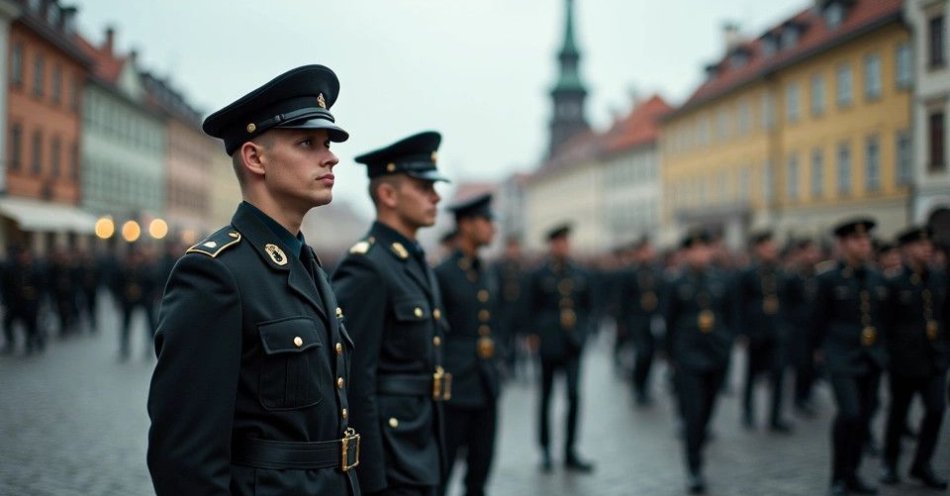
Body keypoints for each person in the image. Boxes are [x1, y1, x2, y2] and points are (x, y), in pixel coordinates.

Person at [146, 65, 359, 496]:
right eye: (307, 143)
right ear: (255, 158)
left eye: (328, 144)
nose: (331, 156)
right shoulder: (216, 273)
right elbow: (185, 459)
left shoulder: (306, 262)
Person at [332, 131, 450, 496]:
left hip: (421, 435)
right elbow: (354, 381)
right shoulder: (368, 266)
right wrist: (372, 479)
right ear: (388, 194)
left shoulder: (412, 259)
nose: (436, 197)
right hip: (392, 451)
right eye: (424, 187)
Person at [813, 218, 887, 496]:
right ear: (843, 245)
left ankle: (853, 473)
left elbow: (884, 320)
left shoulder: (876, 277)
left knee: (864, 417)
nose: (864, 244)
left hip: (870, 356)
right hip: (841, 356)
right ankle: (837, 476)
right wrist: (818, 356)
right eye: (857, 240)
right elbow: (817, 322)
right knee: (850, 413)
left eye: (867, 240)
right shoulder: (828, 279)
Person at [434, 193, 501, 496]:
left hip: (485, 382)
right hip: (455, 386)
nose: (493, 228)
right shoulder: (443, 273)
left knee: (480, 469)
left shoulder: (484, 269)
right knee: (442, 470)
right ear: (466, 225)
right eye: (487, 221)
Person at [662, 229, 735, 494]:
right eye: (694, 249)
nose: (701, 254)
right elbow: (668, 321)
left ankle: (699, 447)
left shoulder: (722, 281)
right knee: (693, 415)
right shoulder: (675, 283)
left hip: (715, 354)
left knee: (707, 412)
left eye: (705, 248)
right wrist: (671, 356)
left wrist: (727, 344)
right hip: (688, 356)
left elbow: (730, 316)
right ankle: (694, 467)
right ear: (685, 253)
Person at [880, 226, 948, 490]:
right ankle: (890, 461)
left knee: (936, 409)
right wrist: (889, 356)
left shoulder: (940, 279)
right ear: (907, 249)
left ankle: (922, 463)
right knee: (898, 413)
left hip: (935, 358)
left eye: (928, 244)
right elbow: (886, 323)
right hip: (904, 360)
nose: (927, 248)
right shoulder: (894, 283)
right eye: (920, 245)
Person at [526, 223, 595, 474]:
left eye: (566, 242)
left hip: (573, 343)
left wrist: (585, 333)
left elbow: (588, 308)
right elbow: (530, 308)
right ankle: (545, 449)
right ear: (551, 245)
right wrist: (533, 335)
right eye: (558, 242)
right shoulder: (539, 274)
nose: (563, 247)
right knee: (545, 397)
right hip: (548, 343)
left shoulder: (579, 273)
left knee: (574, 396)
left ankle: (570, 450)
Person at [736, 231, 792, 432]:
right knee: (751, 374)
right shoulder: (747, 274)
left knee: (778, 374)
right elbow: (740, 304)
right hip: (755, 332)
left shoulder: (781, 272)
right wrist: (742, 332)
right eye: (767, 246)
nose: (771, 250)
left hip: (777, 332)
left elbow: (787, 303)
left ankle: (775, 417)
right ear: (758, 248)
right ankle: (748, 411)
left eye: (773, 246)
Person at [617, 237, 663, 406]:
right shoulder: (629, 273)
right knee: (641, 354)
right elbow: (622, 300)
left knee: (650, 355)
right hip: (635, 320)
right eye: (644, 251)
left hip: (652, 319)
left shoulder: (657, 272)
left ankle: (646, 387)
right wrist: (622, 323)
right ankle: (638, 386)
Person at [785, 238, 821, 416]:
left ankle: (807, 395)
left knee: (813, 366)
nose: (812, 256)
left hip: (814, 328)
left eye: (814, 252)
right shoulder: (793, 277)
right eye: (809, 252)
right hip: (798, 330)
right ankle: (800, 398)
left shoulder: (817, 276)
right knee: (802, 365)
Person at [112, 246, 158, 360]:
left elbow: (152, 283)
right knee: (126, 324)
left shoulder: (147, 268)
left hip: (144, 299)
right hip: (128, 300)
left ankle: (148, 348)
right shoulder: (123, 269)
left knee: (149, 324)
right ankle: (124, 347)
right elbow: (116, 284)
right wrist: (119, 298)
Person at [1, 245, 45, 354]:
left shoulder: (35, 269)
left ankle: (31, 341)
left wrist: (39, 300)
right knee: (8, 322)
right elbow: (6, 285)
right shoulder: (11, 269)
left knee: (30, 324)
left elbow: (42, 286)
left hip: (31, 302)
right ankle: (10, 341)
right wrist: (6, 300)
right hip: (15, 302)